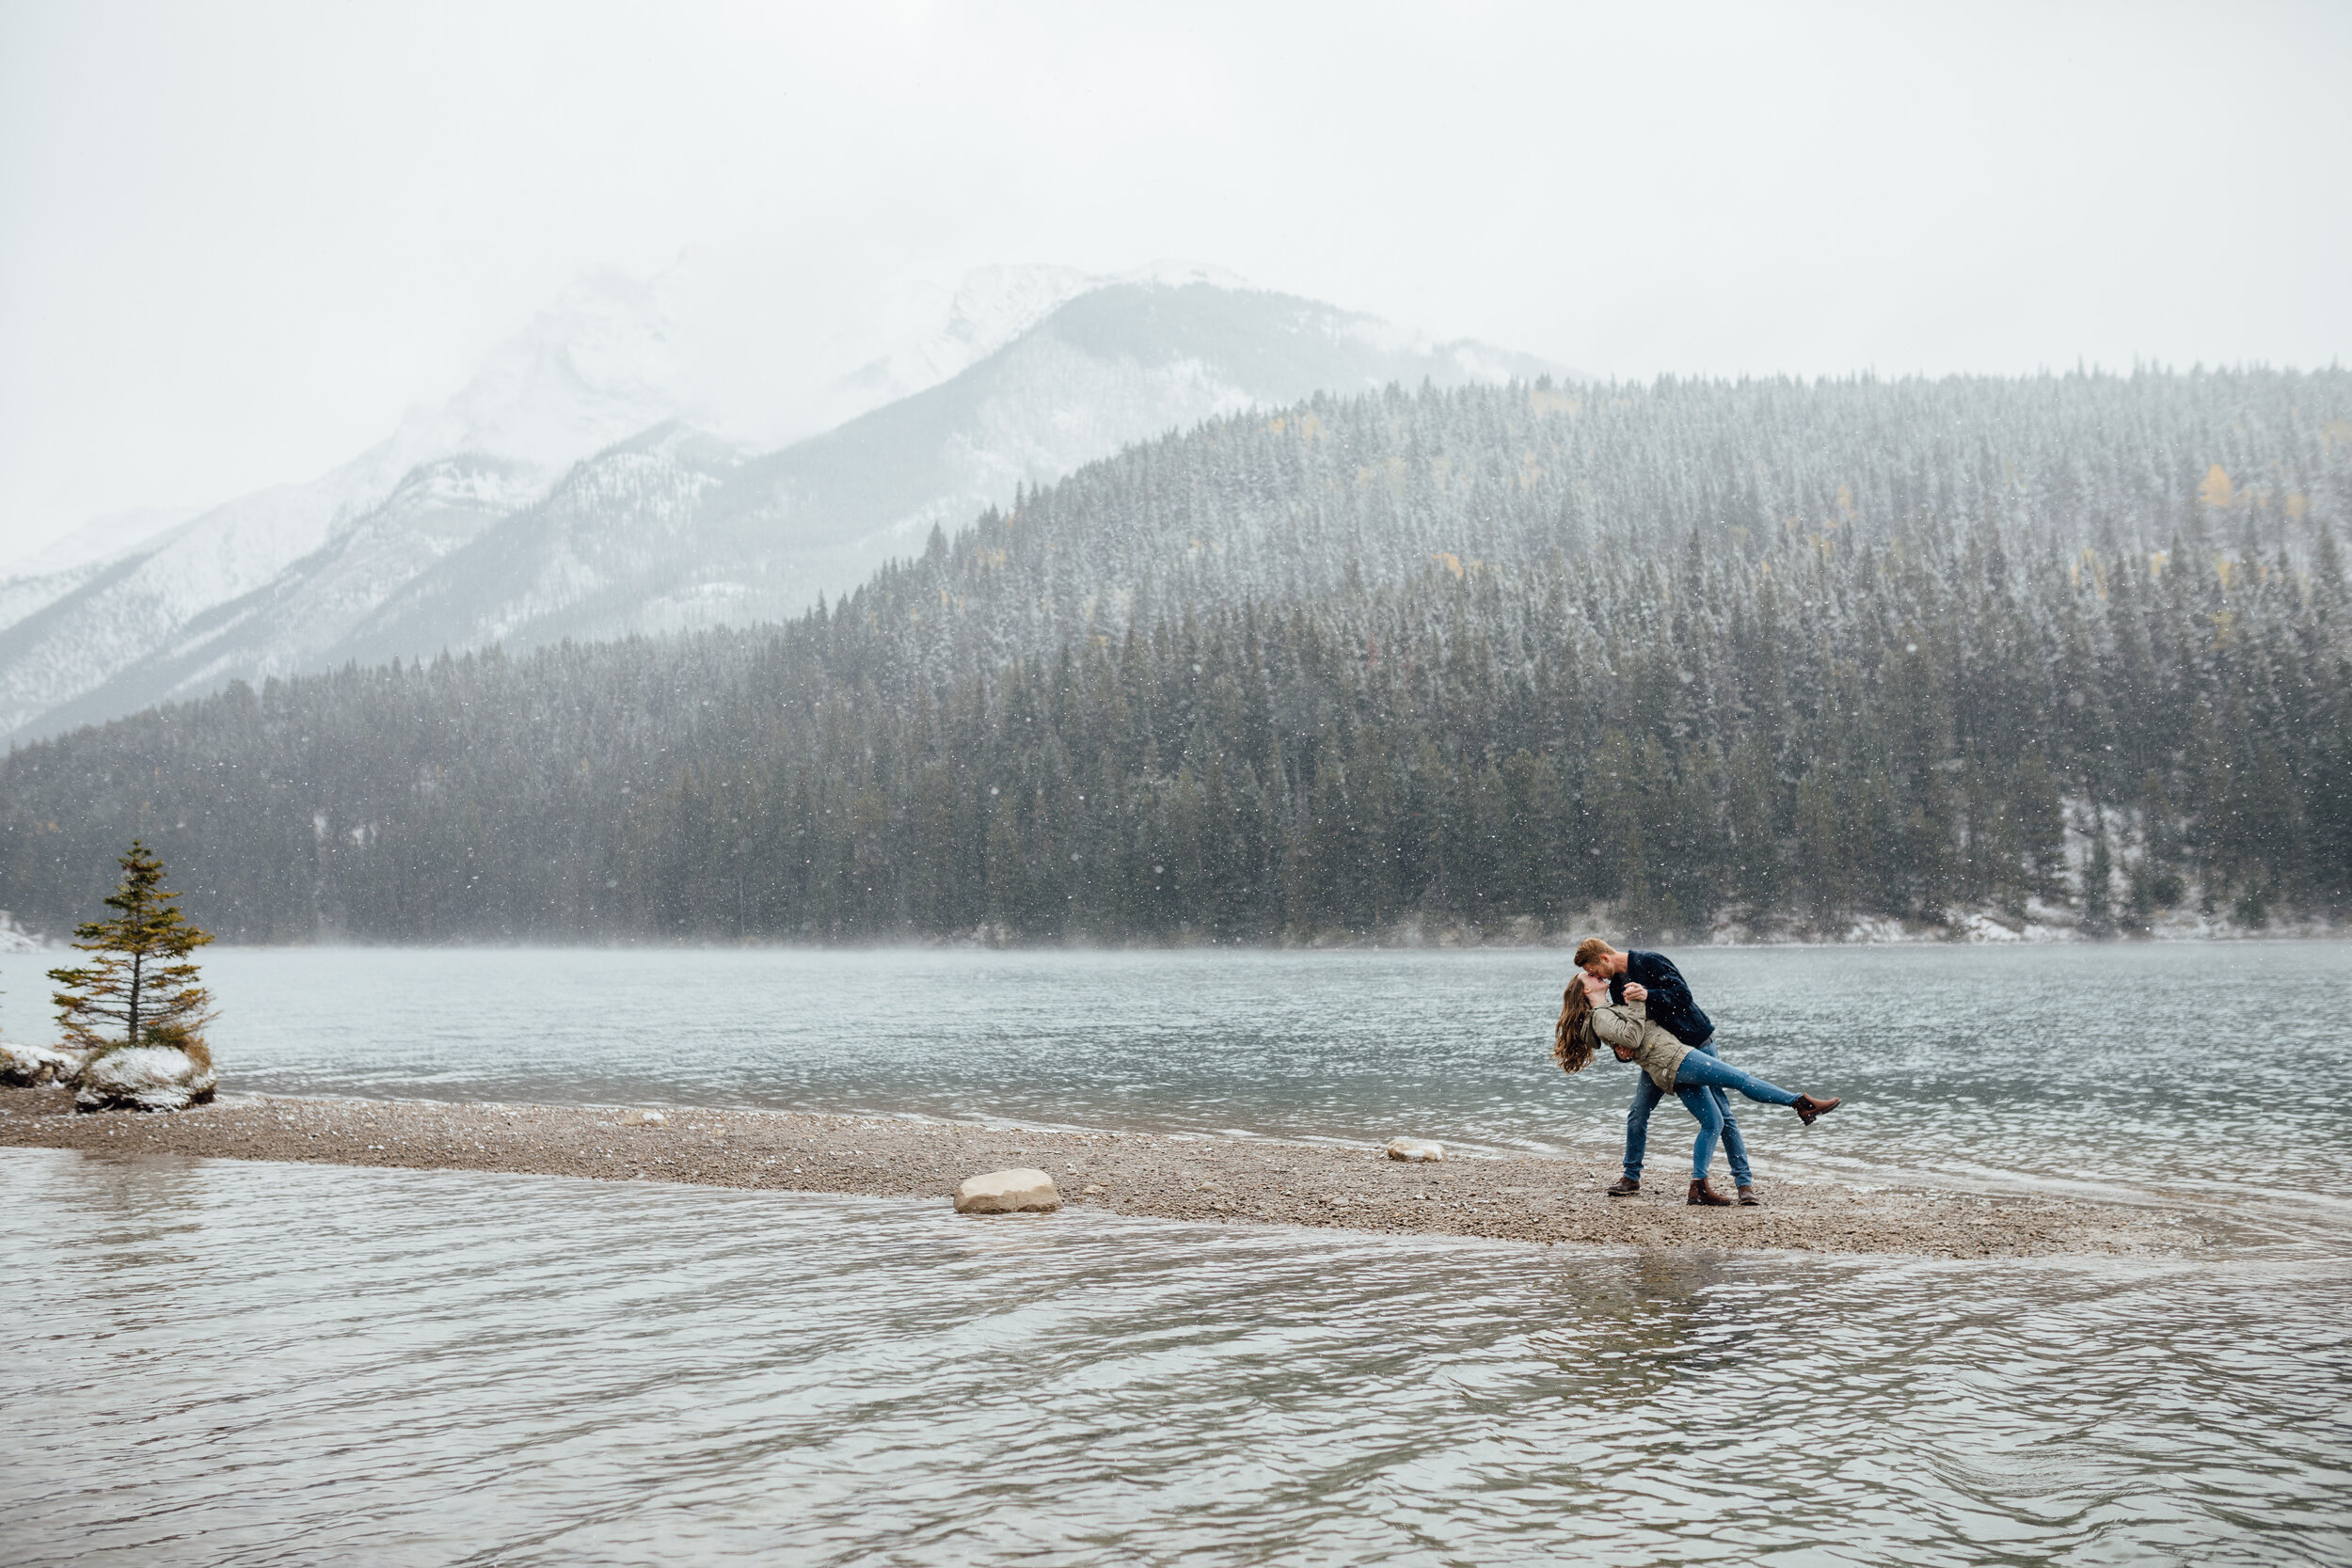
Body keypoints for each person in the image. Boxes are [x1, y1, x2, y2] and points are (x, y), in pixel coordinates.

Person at [1553, 970, 1840, 1206]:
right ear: (1585, 992)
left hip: (1669, 1062)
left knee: (1713, 1121)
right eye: (1589, 977)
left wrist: (1634, 1016)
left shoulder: (1608, 1010)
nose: (1595, 976)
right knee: (1740, 1079)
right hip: (1675, 1059)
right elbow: (1632, 1035)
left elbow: (1628, 1040)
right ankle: (1800, 1102)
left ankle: (1698, 1187)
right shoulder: (1600, 1016)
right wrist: (1639, 1003)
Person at [1572, 938, 1756, 1204]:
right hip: (1661, 1057)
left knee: (1723, 1114)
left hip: (1697, 1043)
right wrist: (1620, 1052)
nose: (1595, 976)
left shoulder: (1650, 960)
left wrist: (1649, 995)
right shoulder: (1617, 987)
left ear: (1604, 958)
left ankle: (1744, 1184)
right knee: (1638, 1112)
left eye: (1593, 970)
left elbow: (1683, 997)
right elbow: (1630, 1029)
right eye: (1591, 975)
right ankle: (1630, 1177)